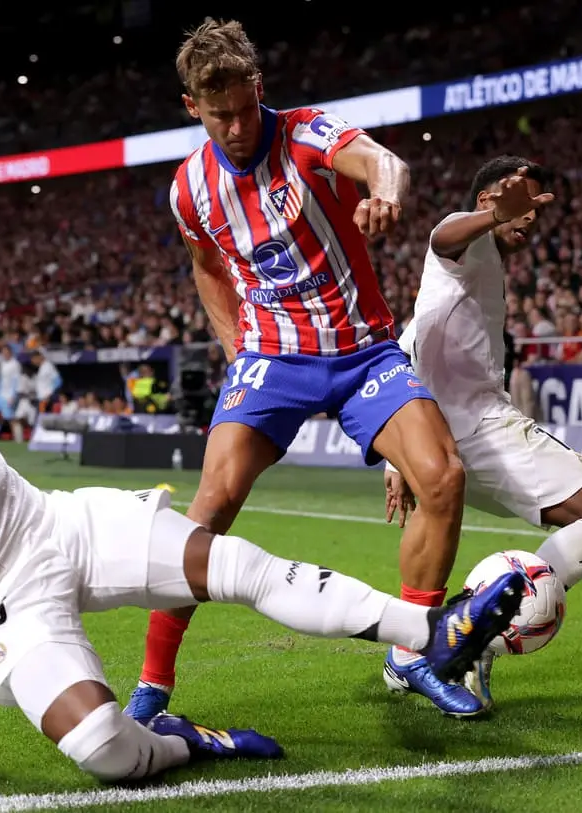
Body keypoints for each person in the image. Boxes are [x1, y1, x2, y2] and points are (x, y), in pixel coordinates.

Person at [0, 160, 526, 778]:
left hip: (56, 520)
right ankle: (182, 740)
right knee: (105, 750)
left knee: (236, 563)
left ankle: (431, 629)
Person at [129, 17, 475, 720]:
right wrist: (237, 349)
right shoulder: (189, 190)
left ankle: (409, 653)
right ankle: (153, 685)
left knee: (442, 477)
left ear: (260, 89)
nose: (234, 126)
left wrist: (385, 193)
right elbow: (207, 268)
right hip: (272, 358)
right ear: (193, 108)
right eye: (217, 115)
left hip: (363, 351)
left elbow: (383, 162)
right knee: (210, 508)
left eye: (244, 108)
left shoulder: (307, 133)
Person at [384, 156, 582, 713]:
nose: (530, 216)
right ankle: (472, 627)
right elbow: (440, 236)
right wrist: (489, 217)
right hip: (483, 429)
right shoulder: (470, 244)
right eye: (520, 203)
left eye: (535, 207)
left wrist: (399, 452)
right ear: (488, 199)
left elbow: (410, 339)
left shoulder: (475, 271)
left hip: (443, 436)